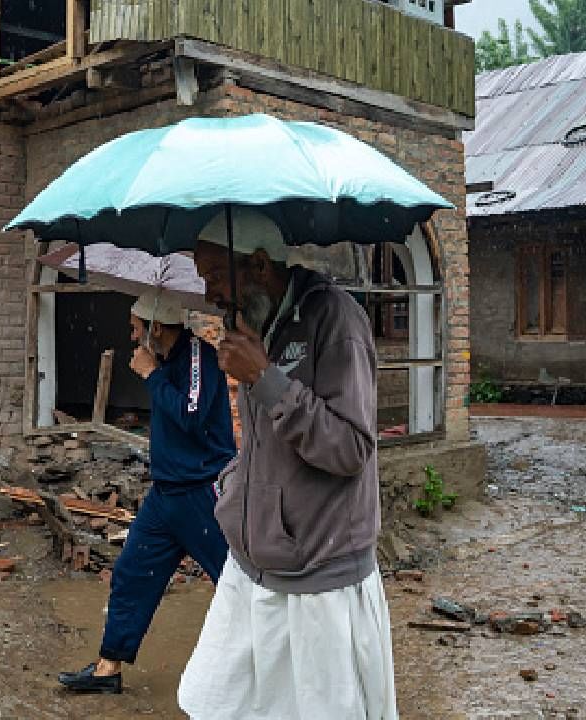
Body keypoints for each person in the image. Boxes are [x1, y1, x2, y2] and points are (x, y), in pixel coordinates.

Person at [178, 208, 397, 719]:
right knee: (213, 703)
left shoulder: (336, 320)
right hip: (252, 563)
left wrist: (267, 379)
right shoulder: (257, 322)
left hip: (318, 575)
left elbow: (350, 450)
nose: (209, 294)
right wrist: (236, 488)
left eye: (214, 276)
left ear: (257, 264)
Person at [58, 289, 237, 695]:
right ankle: (107, 669)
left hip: (200, 495)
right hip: (166, 495)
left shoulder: (198, 357)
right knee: (132, 574)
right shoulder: (167, 360)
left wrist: (151, 375)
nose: (133, 336)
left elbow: (190, 418)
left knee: (233, 582)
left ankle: (272, 667)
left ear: (157, 328)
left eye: (136, 328)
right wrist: (155, 371)